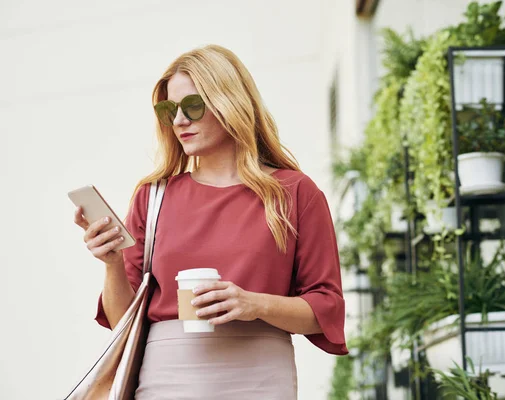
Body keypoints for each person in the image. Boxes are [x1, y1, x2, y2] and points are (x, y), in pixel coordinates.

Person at [73, 44, 348, 399]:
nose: (179, 121)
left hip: (261, 380)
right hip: (166, 381)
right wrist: (112, 264)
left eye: (192, 106)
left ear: (229, 102)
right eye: (169, 110)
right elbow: (120, 319)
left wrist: (253, 304)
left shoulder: (294, 193)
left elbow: (325, 308)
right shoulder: (153, 197)